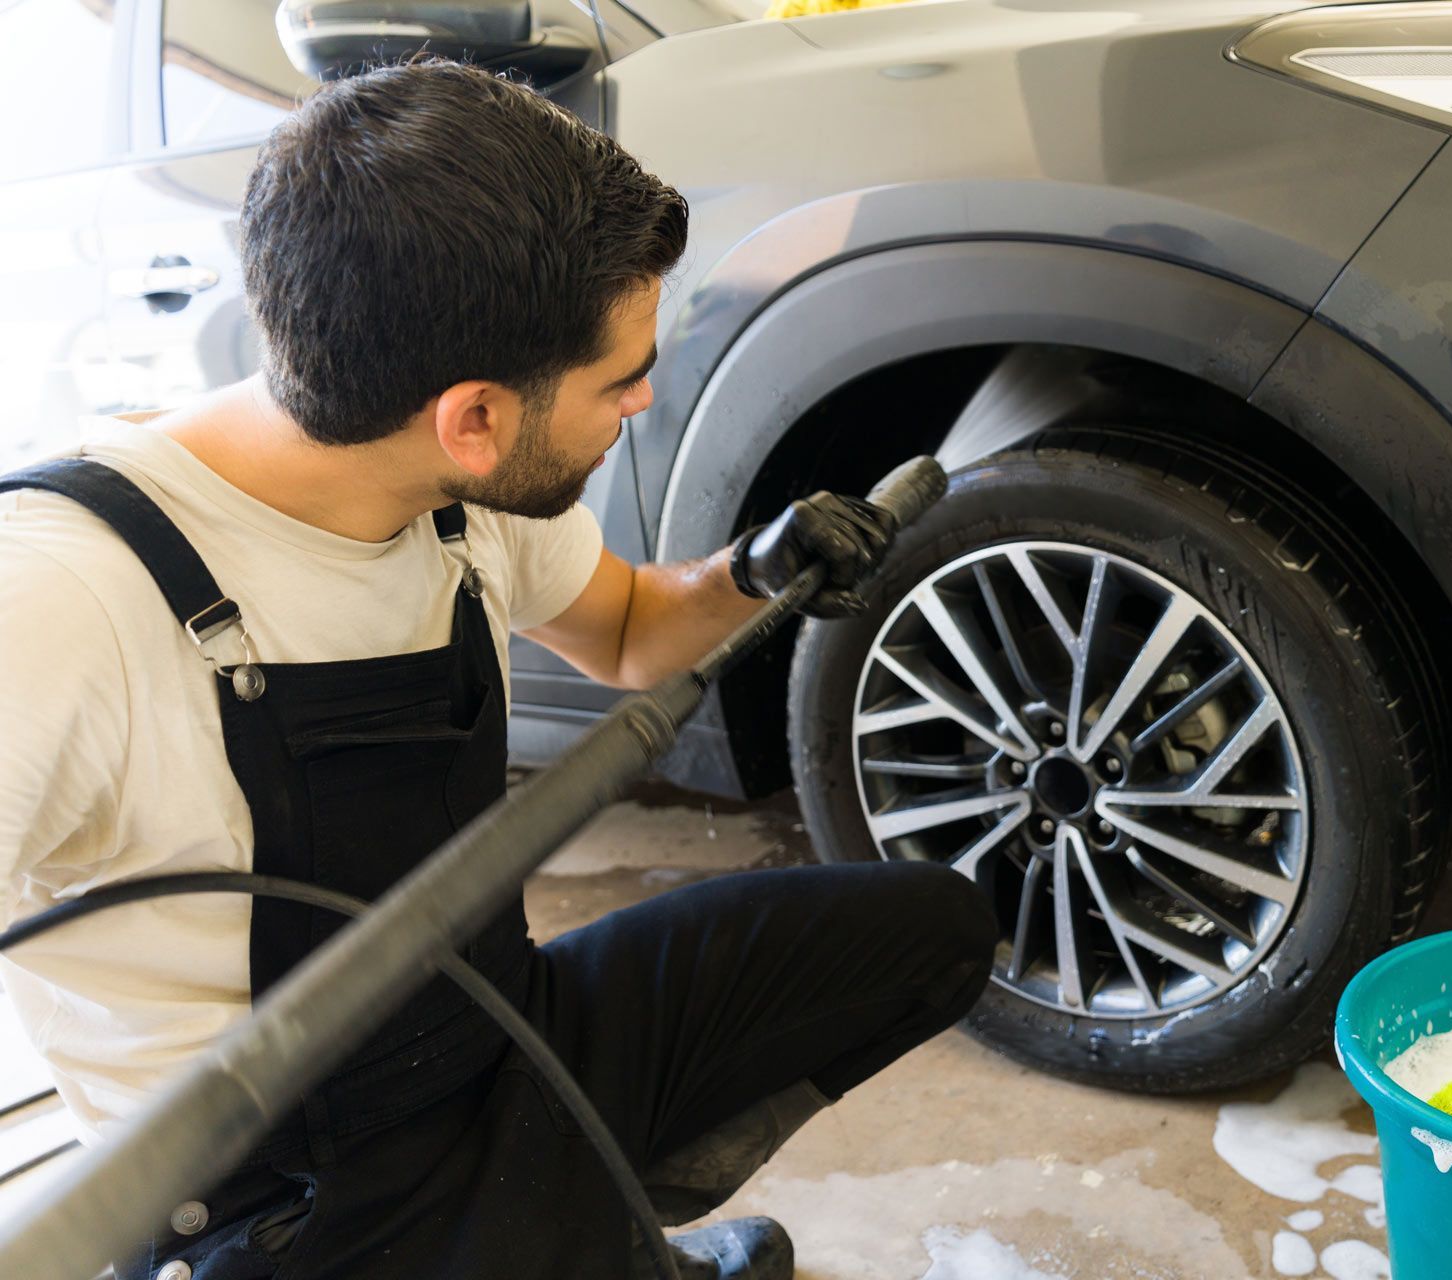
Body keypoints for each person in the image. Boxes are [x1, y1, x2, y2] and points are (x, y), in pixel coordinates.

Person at [0, 59, 997, 1280]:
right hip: (296, 1202)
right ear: (473, 413)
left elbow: (628, 631)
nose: (640, 399)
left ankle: (594, 1226)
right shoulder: (57, 599)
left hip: (492, 1027)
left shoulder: (455, 481)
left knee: (929, 931)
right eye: (618, 379)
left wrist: (751, 567)